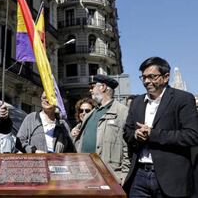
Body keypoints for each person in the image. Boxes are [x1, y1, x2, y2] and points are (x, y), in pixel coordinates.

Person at [123, 57, 198, 197]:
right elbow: (127, 132)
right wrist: (136, 135)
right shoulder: (137, 102)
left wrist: (153, 134)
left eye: (152, 77)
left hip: (171, 179)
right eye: (143, 77)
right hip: (139, 176)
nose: (146, 81)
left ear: (166, 77)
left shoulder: (183, 99)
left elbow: (192, 135)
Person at [74, 74, 130, 184]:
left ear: (102, 87)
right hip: (85, 172)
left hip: (109, 175)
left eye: (92, 87)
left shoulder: (122, 112)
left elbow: (128, 146)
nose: (90, 90)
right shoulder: (91, 113)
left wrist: (124, 175)